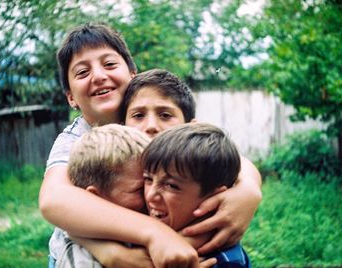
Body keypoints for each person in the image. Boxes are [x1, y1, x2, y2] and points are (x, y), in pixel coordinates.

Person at [39, 23, 262, 268]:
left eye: (110, 64)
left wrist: (249, 190)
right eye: (82, 72)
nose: (99, 76)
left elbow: (233, 161)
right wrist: (150, 235)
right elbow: (53, 200)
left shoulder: (160, 122)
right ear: (70, 97)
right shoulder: (75, 139)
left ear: (132, 74)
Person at [142, 122, 251, 267]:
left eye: (171, 185)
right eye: (148, 179)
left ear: (213, 197)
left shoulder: (225, 261)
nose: (150, 195)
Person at [55, 124, 152, 268]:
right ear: (94, 198)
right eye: (139, 189)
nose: (151, 195)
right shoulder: (82, 260)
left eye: (151, 182)